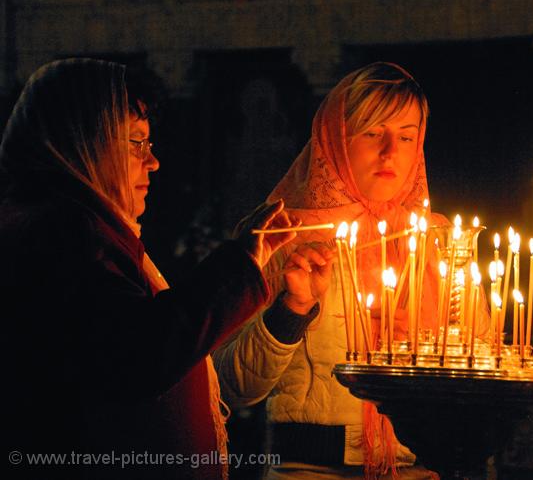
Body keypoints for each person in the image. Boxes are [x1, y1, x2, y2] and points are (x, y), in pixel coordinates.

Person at [0, 58, 296, 480]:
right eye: (136, 143)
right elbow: (138, 354)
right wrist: (240, 264)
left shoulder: (73, 221)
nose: (153, 162)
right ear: (86, 142)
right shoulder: (65, 233)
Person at [214, 62, 490, 479]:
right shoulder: (283, 238)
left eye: (406, 136)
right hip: (308, 469)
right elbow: (229, 388)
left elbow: (487, 365)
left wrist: (434, 345)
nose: (390, 151)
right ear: (336, 140)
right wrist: (292, 310)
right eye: (372, 133)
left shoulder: (440, 242)